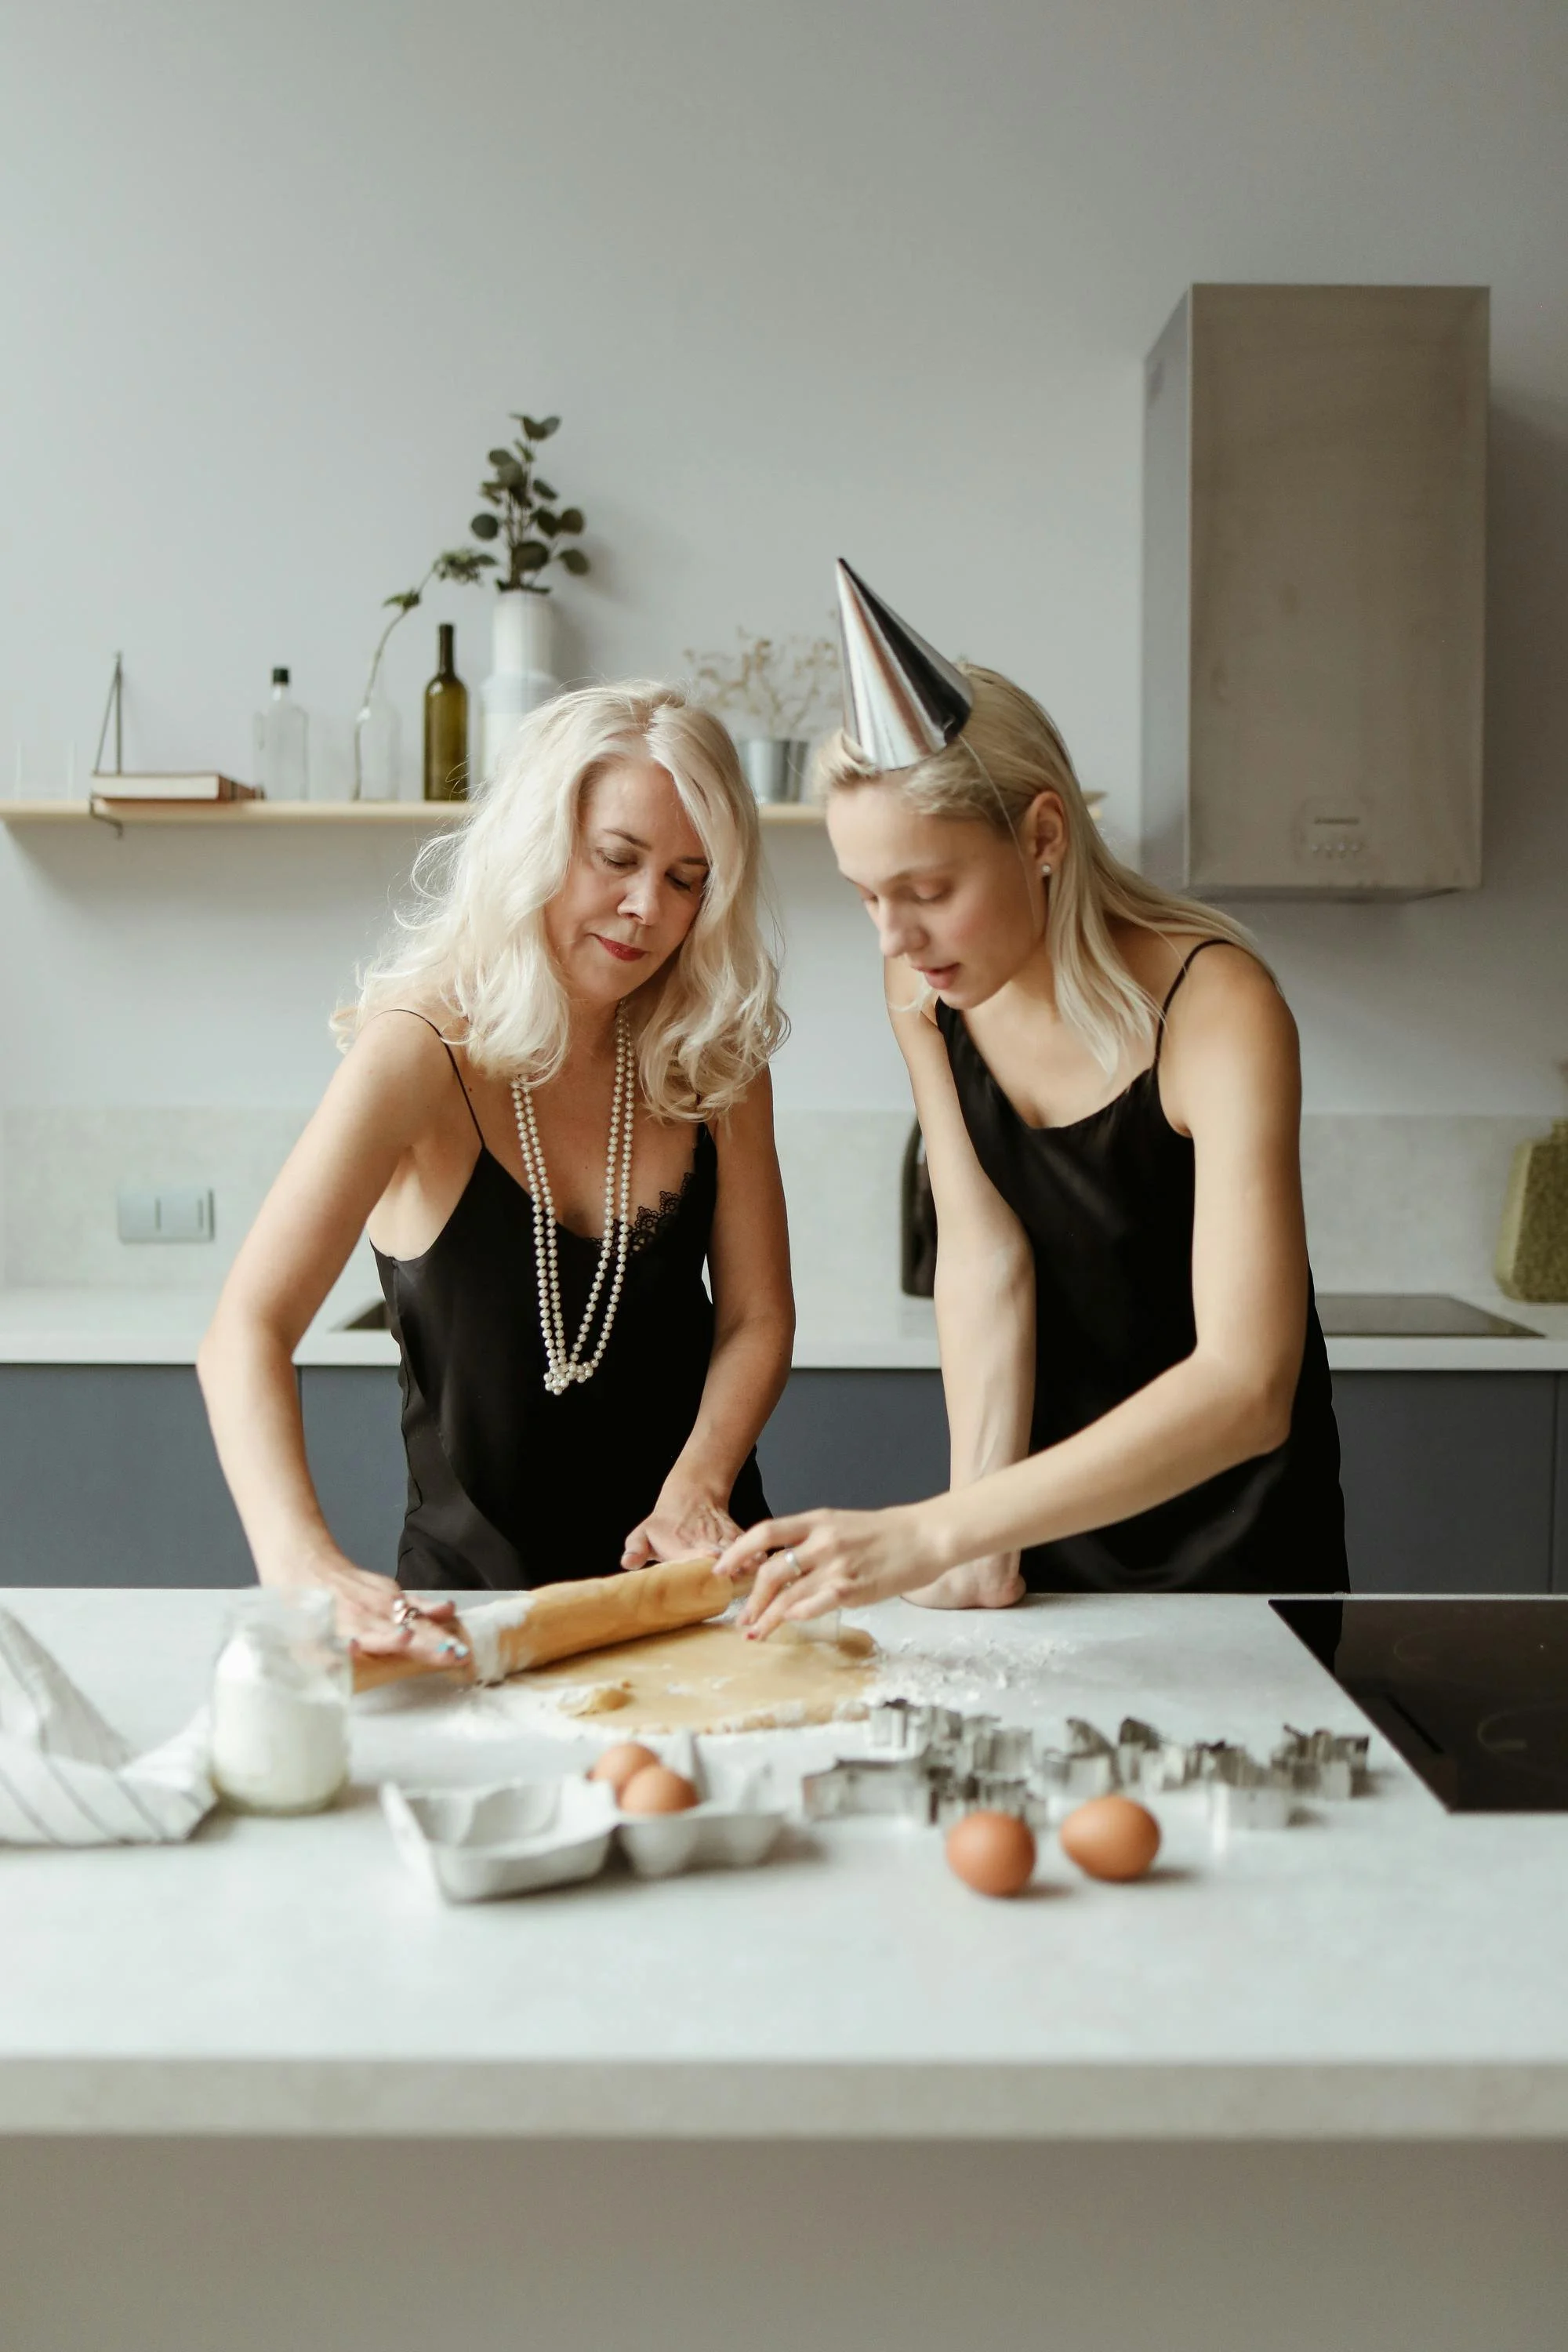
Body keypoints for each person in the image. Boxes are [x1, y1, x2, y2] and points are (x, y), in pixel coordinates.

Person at [720, 563, 1345, 1637]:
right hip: (1036, 1539)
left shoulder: (1218, 1008)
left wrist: (932, 1532)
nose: (895, 939)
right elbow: (984, 1259)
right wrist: (978, 1541)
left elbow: (1248, 1384)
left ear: (1045, 837)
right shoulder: (926, 991)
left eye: (927, 892)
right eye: (867, 896)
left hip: (1239, 1557)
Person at [199, 683, 793, 1666]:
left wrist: (698, 1486)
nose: (648, 908)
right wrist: (301, 1561)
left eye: (688, 879)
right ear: (534, 842)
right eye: (616, 859)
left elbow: (755, 1316)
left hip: (689, 1591)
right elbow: (242, 1333)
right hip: (468, 1614)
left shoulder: (714, 1055)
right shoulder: (416, 1052)